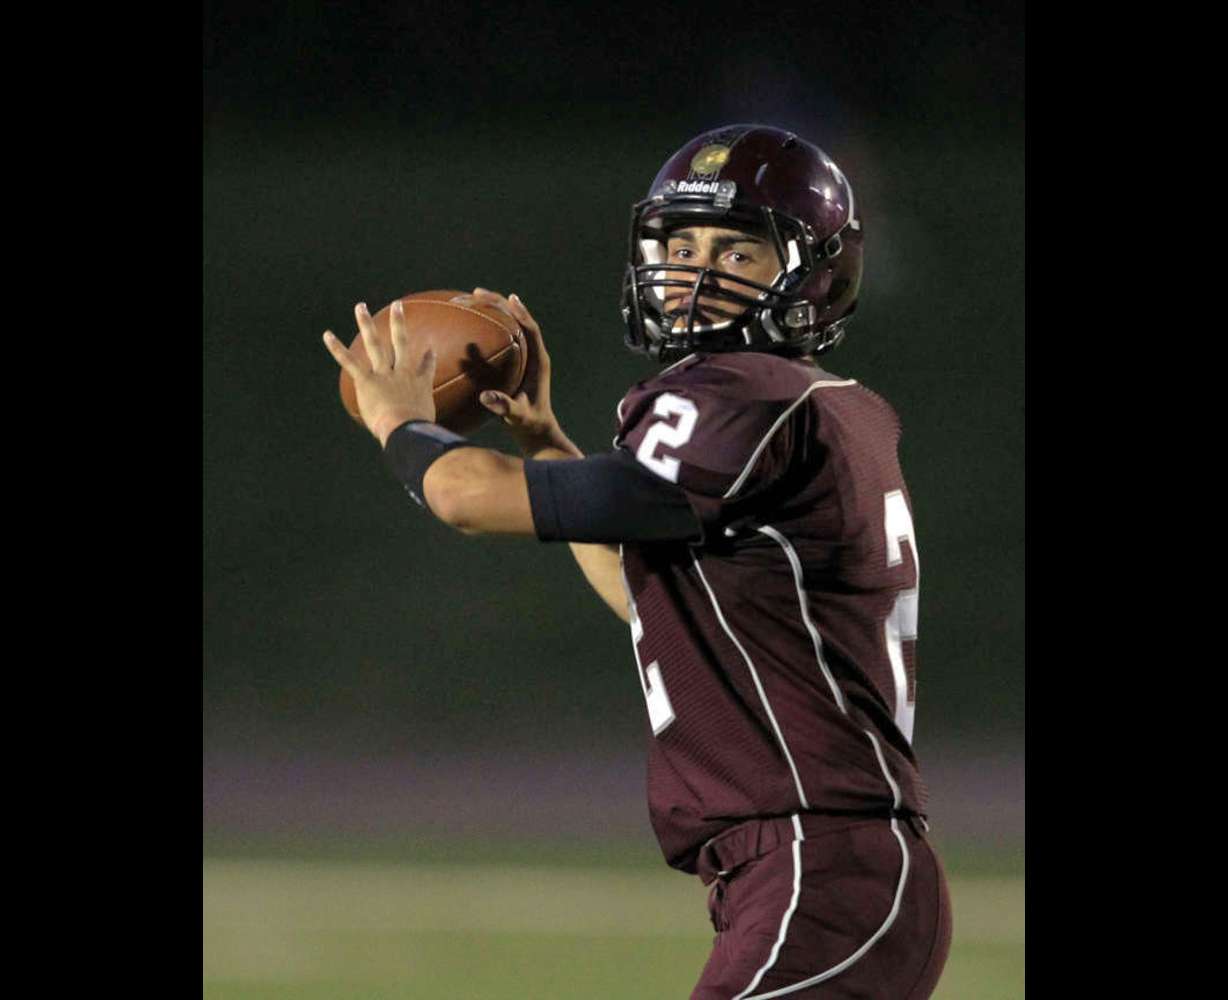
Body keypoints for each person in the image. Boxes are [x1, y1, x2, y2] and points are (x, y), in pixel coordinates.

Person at [323, 123, 952, 999]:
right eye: (680, 241)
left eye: (738, 248)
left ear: (813, 274)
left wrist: (396, 419)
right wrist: (548, 445)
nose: (695, 268)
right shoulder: (814, 407)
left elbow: (463, 495)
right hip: (818, 871)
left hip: (819, 869)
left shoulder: (744, 394)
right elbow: (655, 598)